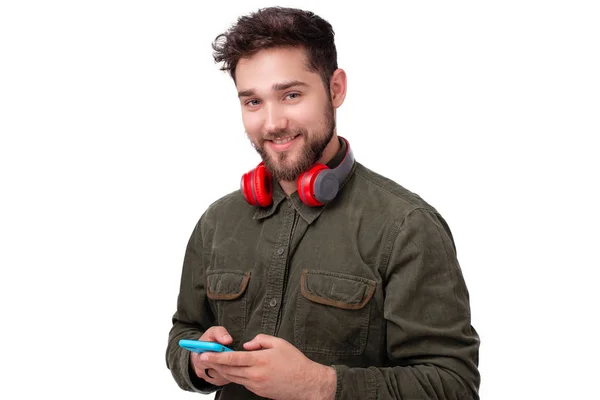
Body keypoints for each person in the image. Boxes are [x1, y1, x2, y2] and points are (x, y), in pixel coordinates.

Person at [166, 6, 480, 400]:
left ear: (335, 89)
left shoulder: (407, 226)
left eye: (291, 95)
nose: (273, 122)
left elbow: (452, 386)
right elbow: (184, 331)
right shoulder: (217, 221)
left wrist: (320, 385)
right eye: (253, 102)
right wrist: (197, 362)